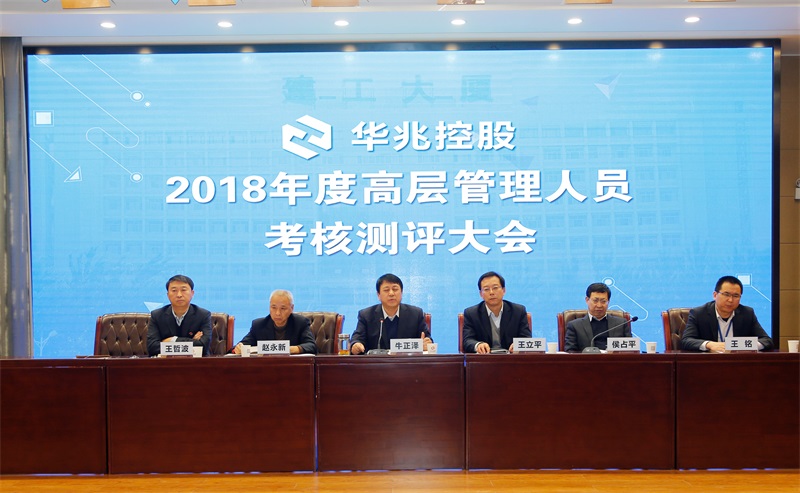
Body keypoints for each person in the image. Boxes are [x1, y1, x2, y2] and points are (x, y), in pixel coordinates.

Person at [681, 275, 773, 352]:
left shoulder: (747, 314)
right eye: (726, 294)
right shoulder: (699, 313)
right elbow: (686, 341)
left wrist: (745, 346)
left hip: (737, 363)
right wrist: (709, 344)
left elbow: (767, 341)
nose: (730, 300)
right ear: (715, 295)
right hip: (709, 362)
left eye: (736, 296)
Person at [350, 273, 432, 354]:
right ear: (378, 295)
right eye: (386, 290)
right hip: (377, 362)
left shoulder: (415, 314)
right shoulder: (366, 315)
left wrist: (426, 344)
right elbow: (357, 338)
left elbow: (428, 340)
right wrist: (356, 345)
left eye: (395, 289)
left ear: (401, 293)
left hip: (406, 362)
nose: (391, 293)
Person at [462, 271, 531, 354]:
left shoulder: (518, 311)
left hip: (511, 358)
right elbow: (467, 340)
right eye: (486, 289)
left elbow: (527, 338)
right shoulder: (471, 313)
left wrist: (518, 345)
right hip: (484, 359)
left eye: (495, 288)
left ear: (503, 290)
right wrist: (478, 345)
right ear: (481, 294)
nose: (491, 292)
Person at [232, 289, 317, 355]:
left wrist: (291, 349)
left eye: (283, 308)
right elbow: (236, 348)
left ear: (292, 308)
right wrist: (239, 348)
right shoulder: (259, 325)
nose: (277, 313)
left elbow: (312, 346)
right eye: (273, 307)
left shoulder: (300, 323)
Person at [147, 274, 212, 356]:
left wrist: (172, 340)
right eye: (174, 290)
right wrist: (192, 341)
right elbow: (152, 347)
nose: (179, 295)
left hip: (195, 362)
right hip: (166, 362)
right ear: (168, 295)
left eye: (183, 290)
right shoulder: (157, 315)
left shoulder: (203, 315)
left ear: (192, 293)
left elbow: (203, 346)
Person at [564, 282, 630, 352]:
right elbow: (570, 351)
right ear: (587, 300)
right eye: (595, 301)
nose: (599, 305)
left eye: (603, 301)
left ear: (608, 301)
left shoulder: (621, 324)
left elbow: (630, 350)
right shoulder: (575, 326)